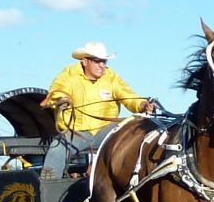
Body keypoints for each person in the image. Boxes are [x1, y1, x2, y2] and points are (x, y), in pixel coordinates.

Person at [39, 42, 156, 179]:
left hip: (106, 130)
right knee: (56, 150)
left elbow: (128, 95)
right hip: (77, 132)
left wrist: (142, 104)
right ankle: (47, 189)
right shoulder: (68, 75)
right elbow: (57, 91)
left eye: (104, 61)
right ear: (85, 61)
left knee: (135, 133)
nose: (102, 65)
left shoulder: (111, 77)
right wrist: (61, 99)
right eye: (97, 61)